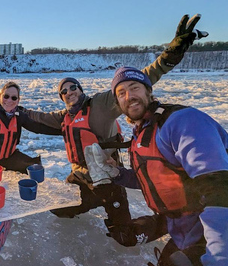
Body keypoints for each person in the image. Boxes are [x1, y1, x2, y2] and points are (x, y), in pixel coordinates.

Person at [20, 14, 208, 227]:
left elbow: (141, 77)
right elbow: (39, 116)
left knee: (123, 234)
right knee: (59, 210)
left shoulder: (100, 104)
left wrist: (169, 56)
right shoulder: (64, 117)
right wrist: (17, 109)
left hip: (109, 176)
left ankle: (165, 224)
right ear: (62, 97)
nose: (70, 92)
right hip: (81, 176)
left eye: (74, 87)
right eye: (64, 91)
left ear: (81, 90)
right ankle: (89, 201)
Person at [85, 66, 228, 265]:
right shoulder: (143, 132)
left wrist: (218, 259)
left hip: (212, 230)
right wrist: (118, 174)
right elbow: (156, 178)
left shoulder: (182, 122)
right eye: (121, 93)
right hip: (182, 226)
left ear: (148, 91)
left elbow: (219, 190)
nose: (129, 96)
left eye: (134, 88)